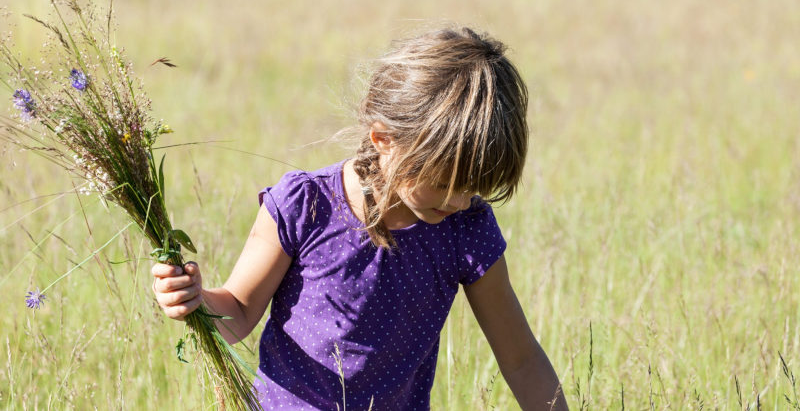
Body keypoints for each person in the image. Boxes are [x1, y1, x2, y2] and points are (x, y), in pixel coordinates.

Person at [151, 26, 568, 410]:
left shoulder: (466, 229)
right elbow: (239, 312)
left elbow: (521, 360)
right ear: (384, 138)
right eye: (445, 183)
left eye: (474, 187)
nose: (460, 201)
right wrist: (195, 300)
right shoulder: (305, 206)